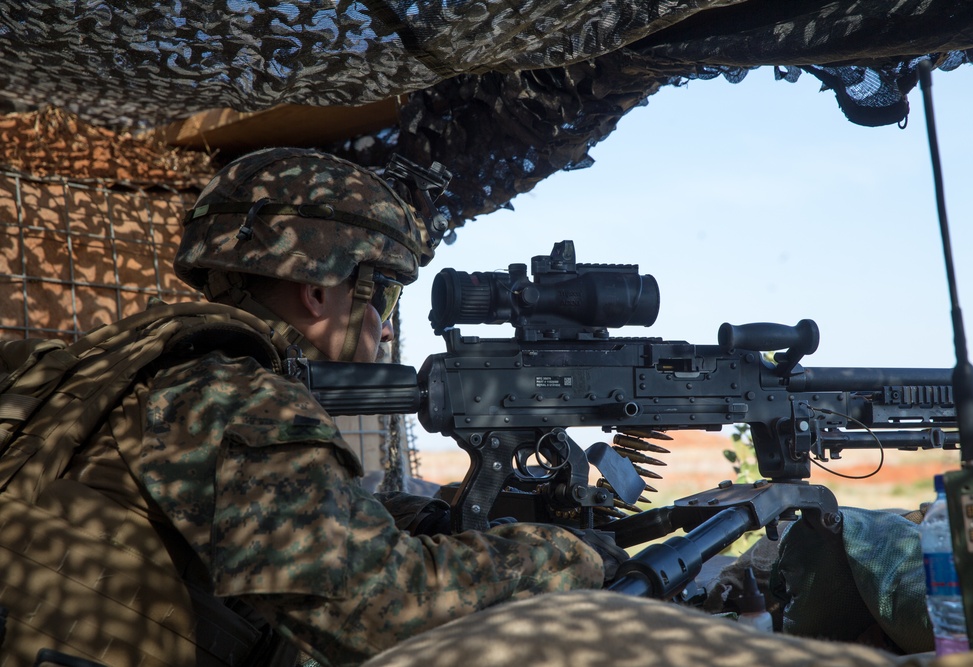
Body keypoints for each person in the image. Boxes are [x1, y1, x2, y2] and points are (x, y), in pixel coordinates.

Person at [2, 147, 629, 666]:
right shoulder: (233, 395)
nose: (384, 330)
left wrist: (415, 522)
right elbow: (380, 614)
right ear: (317, 289)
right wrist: (566, 555)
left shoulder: (129, 362)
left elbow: (251, 517)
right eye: (381, 299)